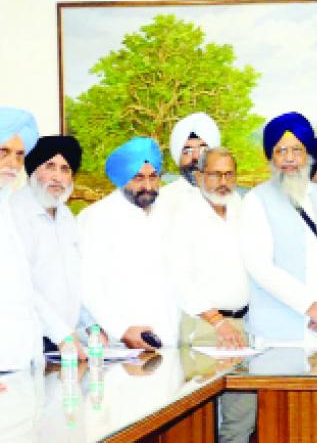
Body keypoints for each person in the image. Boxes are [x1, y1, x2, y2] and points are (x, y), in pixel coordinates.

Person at [240, 112, 317, 349]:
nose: (289, 158)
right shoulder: (256, 200)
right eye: (281, 151)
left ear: (308, 153)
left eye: (296, 150)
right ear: (271, 156)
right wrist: (311, 307)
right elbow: (260, 266)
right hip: (278, 334)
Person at [78, 137, 179, 349]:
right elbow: (87, 285)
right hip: (121, 344)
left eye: (153, 177)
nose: (148, 186)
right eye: (138, 178)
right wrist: (121, 329)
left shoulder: (167, 214)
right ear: (122, 178)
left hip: (167, 337)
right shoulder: (96, 218)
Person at [10, 135, 105, 357]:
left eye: (65, 169)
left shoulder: (65, 216)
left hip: (64, 342)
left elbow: (73, 282)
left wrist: (91, 325)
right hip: (29, 342)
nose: (57, 177)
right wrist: (61, 334)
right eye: (50, 166)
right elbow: (23, 286)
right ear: (33, 170)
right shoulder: (14, 213)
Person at [167, 147, 249, 348]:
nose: (223, 182)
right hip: (205, 327)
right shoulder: (183, 216)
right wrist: (217, 321)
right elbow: (179, 279)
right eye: (215, 175)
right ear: (198, 176)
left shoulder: (239, 206)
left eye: (229, 174)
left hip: (243, 325)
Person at [0, 107, 43, 371]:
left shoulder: (9, 207)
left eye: (19, 155)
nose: (14, 164)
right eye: (3, 152)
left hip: (20, 359)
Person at [159, 112, 221, 217]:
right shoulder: (162, 201)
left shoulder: (231, 200)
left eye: (203, 149)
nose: (196, 157)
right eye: (188, 151)